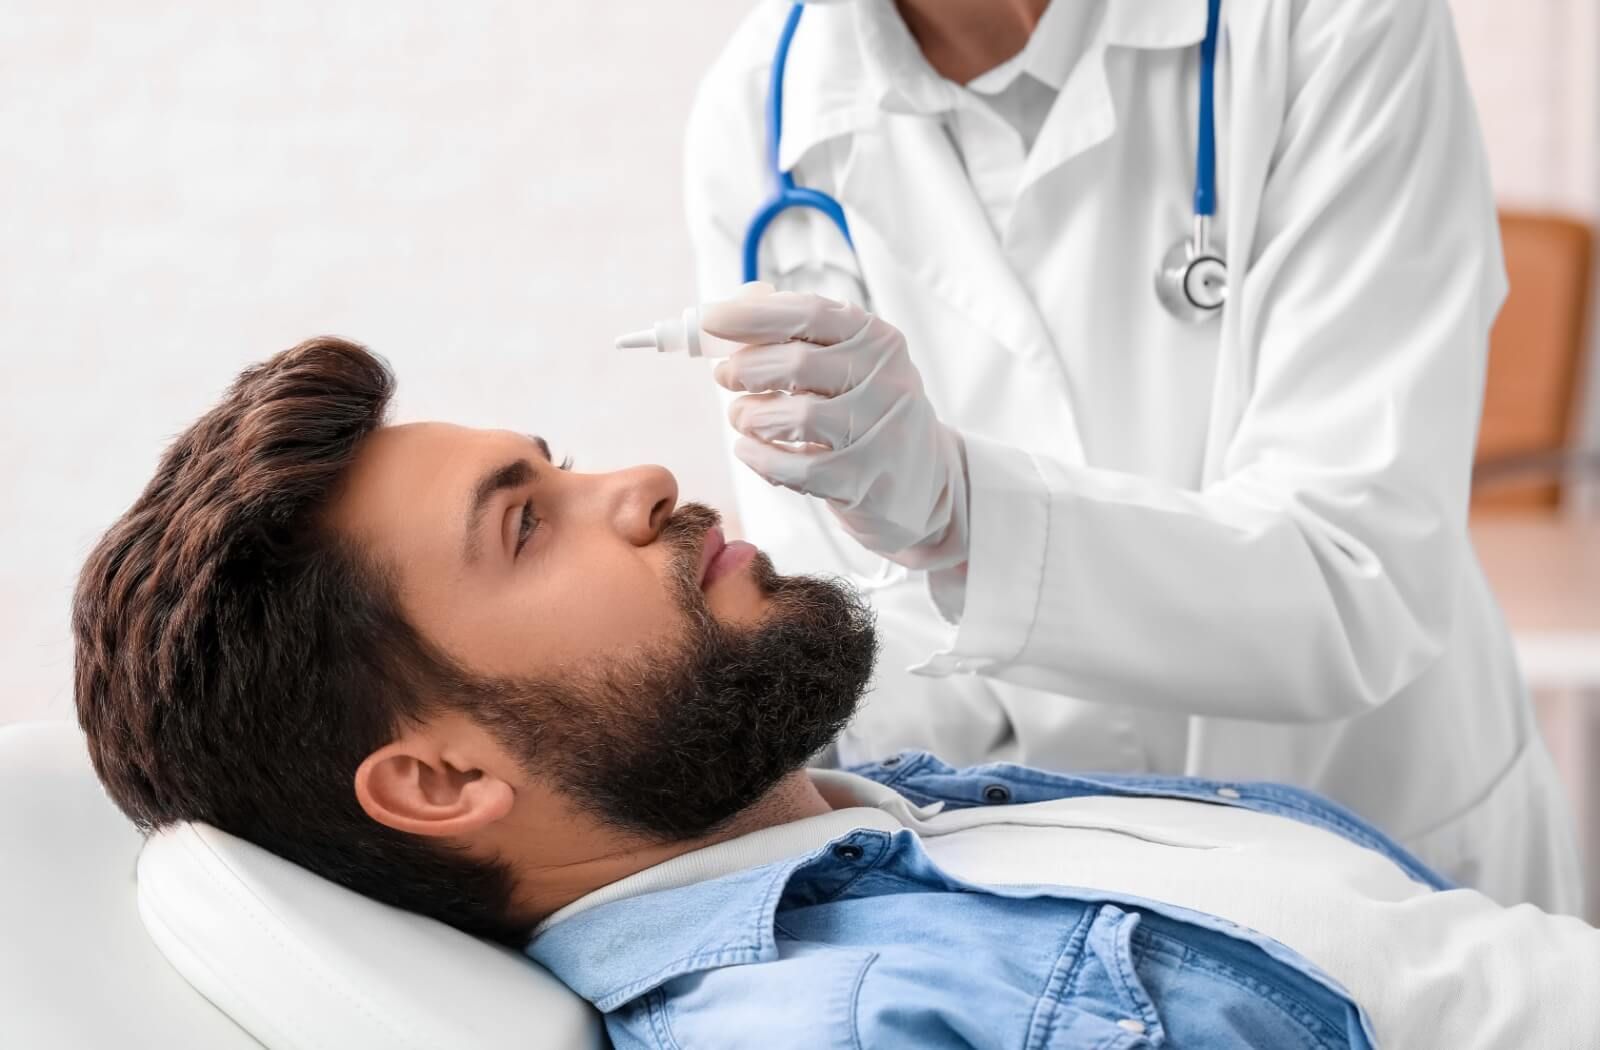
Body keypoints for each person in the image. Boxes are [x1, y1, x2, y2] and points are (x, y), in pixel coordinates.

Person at [75, 340, 1599, 1049]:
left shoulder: (876, 814)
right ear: (438, 779)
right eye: (524, 522)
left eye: (555, 459)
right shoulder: (845, 1019)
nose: (645, 476)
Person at [681, 0, 1581, 911]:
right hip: (1056, 899)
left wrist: (964, 519)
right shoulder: (761, 115)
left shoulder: (1330, 18)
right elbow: (875, 646)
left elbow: (1359, 576)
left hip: (1390, 835)